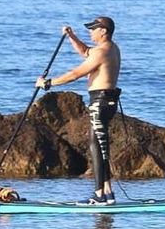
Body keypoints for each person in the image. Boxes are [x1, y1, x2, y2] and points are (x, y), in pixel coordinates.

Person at [36, 16, 122, 205]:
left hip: (100, 102)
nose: (90, 32)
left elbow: (75, 74)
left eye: (93, 29)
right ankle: (107, 193)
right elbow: (85, 52)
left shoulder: (102, 52)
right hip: (106, 101)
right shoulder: (110, 48)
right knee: (99, 146)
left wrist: (48, 83)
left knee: (96, 146)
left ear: (104, 31)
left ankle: (99, 195)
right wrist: (71, 37)